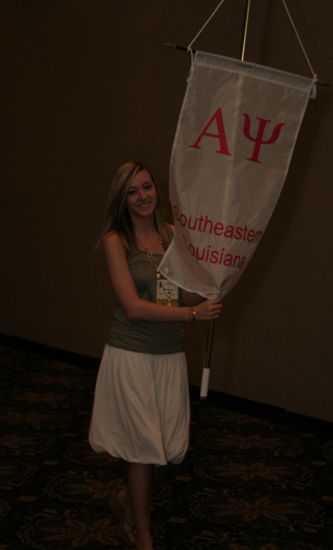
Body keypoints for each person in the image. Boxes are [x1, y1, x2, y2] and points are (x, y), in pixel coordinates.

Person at [89, 161, 222, 550]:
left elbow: (180, 295)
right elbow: (132, 306)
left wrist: (211, 294)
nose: (143, 196)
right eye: (133, 191)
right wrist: (194, 314)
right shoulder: (116, 240)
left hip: (168, 355)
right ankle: (144, 537)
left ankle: (127, 501)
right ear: (123, 199)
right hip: (130, 354)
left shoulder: (173, 237)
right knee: (143, 449)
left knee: (160, 447)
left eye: (147, 187)